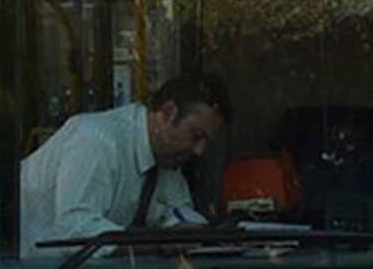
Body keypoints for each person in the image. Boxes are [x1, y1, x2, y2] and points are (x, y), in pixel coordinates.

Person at [15, 75, 231, 255]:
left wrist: (197, 233)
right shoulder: (96, 140)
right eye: (195, 135)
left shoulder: (166, 157)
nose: (199, 150)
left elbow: (177, 212)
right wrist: (158, 244)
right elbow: (76, 228)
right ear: (167, 113)